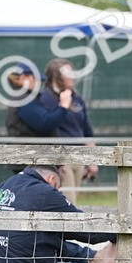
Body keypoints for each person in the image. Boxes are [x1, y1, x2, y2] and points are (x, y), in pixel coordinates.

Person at [37, 59, 97, 202]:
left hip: (80, 157)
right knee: (68, 201)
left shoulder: (76, 99)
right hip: (62, 158)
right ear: (57, 76)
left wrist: (92, 160)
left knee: (73, 199)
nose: (73, 76)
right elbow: (47, 127)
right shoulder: (46, 99)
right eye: (68, 73)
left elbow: (86, 131)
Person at [5, 62, 73, 140]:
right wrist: (63, 106)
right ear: (24, 78)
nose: (38, 82)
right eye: (36, 78)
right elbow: (46, 124)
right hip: (27, 150)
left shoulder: (25, 97)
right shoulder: (23, 99)